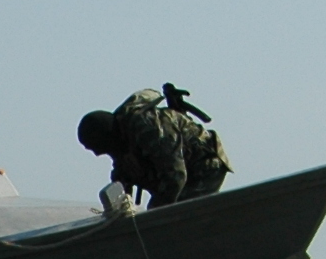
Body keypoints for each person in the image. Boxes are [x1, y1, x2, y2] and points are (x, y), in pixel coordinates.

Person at [76, 85, 230, 206]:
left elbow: (175, 176)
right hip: (181, 171)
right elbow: (122, 179)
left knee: (180, 215)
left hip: (205, 166)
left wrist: (154, 213)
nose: (97, 154)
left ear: (106, 139)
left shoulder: (146, 128)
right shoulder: (122, 140)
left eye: (98, 148)